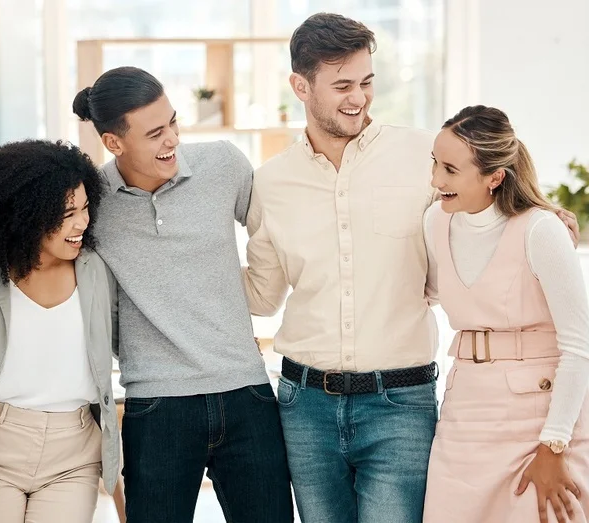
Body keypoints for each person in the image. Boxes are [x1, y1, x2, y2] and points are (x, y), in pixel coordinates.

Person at [241, 12, 579, 523]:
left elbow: (487, 194)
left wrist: (537, 210)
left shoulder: (426, 156)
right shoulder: (270, 183)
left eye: (367, 82)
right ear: (300, 86)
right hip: (304, 405)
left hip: (399, 402)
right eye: (342, 86)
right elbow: (262, 296)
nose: (358, 97)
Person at [73, 66, 293, 522]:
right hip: (157, 406)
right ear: (114, 143)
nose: (171, 139)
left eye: (172, 122)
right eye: (154, 133)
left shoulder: (223, 165)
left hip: (246, 392)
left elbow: (273, 232)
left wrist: (257, 297)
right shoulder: (92, 200)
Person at [422, 105, 589, 523]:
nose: (436, 180)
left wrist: (553, 445)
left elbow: (579, 345)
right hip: (466, 411)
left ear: (494, 176)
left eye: (450, 169)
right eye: (435, 164)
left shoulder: (541, 229)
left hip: (539, 416)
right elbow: (427, 294)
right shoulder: (435, 223)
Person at [0, 139, 120, 523]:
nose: (82, 223)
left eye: (85, 208)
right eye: (66, 214)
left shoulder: (96, 271)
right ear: (27, 215)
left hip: (74, 452)